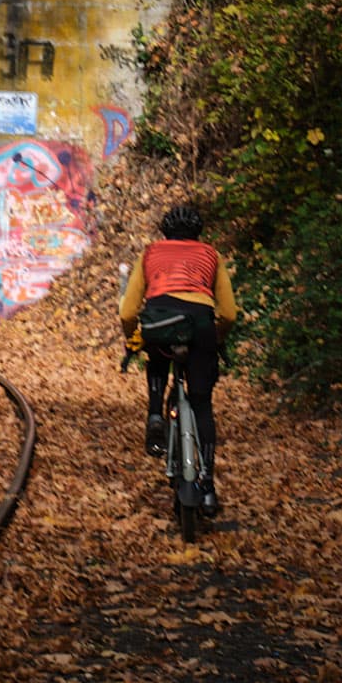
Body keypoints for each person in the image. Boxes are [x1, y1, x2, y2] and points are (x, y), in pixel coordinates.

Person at [119, 203, 236, 505]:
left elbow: (129, 310)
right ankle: (207, 484)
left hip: (161, 319)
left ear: (165, 231)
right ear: (199, 233)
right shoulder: (211, 255)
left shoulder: (150, 253)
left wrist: (133, 338)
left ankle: (156, 412)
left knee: (156, 352)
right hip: (200, 323)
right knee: (202, 405)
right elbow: (229, 314)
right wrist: (216, 339)